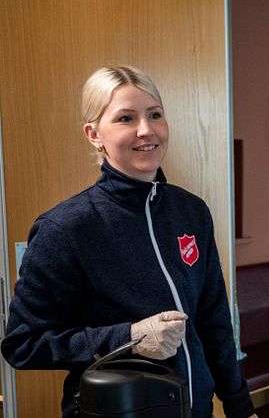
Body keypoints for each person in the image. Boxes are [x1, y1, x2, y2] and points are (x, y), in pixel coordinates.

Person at [0, 66, 255, 418]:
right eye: (125, 118)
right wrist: (130, 337)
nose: (146, 130)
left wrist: (240, 406)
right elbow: (23, 345)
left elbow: (213, 321)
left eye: (155, 114)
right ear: (94, 134)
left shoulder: (192, 212)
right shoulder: (66, 227)